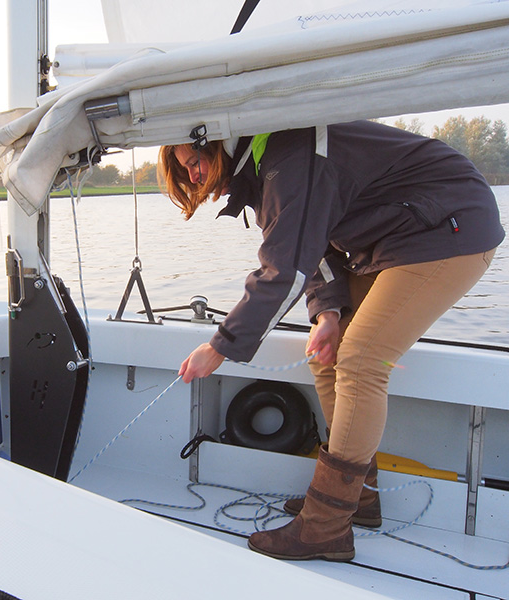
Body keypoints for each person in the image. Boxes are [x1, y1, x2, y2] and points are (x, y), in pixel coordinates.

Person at [158, 120, 504, 562]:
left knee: (361, 361)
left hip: (447, 226)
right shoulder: (269, 161)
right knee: (327, 353)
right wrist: (327, 312)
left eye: (194, 162)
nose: (194, 177)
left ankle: (325, 526)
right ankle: (358, 500)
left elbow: (283, 271)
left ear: (216, 141)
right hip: (393, 242)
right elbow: (311, 246)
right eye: (185, 170)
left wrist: (220, 346)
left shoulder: (288, 156)